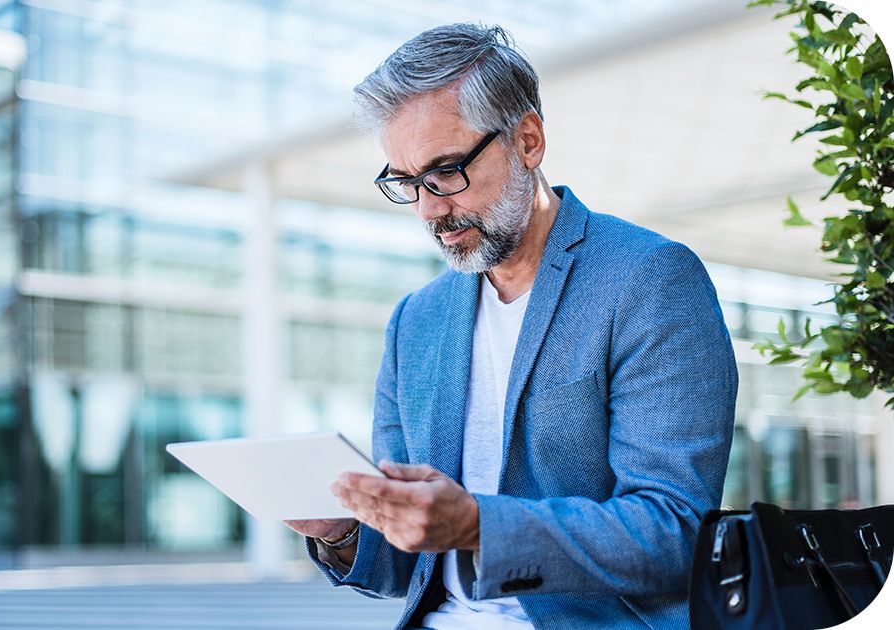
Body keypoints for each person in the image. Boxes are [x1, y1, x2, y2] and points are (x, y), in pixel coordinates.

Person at [284, 23, 738, 630]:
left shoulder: (649, 279)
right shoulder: (414, 322)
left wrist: (477, 524)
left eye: (446, 171)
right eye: (406, 182)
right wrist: (342, 531)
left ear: (527, 140)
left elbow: (674, 531)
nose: (428, 208)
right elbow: (407, 570)